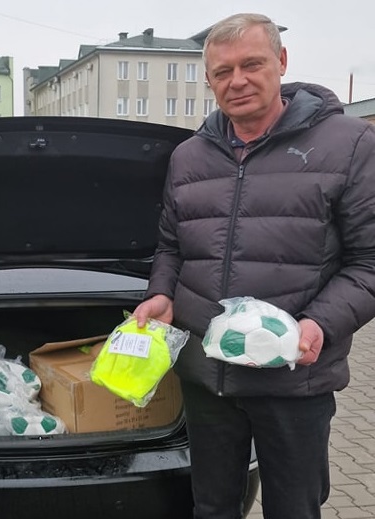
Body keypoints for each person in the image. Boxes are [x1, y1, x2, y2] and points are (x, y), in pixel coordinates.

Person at [133, 13, 375, 519]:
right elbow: (171, 246)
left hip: (294, 378)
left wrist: (318, 324)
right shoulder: (189, 156)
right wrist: (161, 293)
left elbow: (368, 261)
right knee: (212, 507)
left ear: (281, 62)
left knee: (293, 509)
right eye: (223, 71)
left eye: (252, 64)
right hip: (207, 377)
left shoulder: (349, 144)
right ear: (208, 80)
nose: (237, 81)